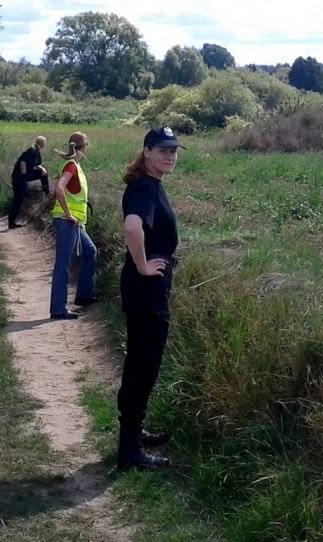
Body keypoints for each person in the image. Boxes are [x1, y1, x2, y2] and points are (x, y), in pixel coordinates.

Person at [116, 126, 185, 472]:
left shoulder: (148, 184)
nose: (170, 156)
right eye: (163, 150)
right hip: (147, 286)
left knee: (140, 360)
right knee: (145, 362)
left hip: (145, 284)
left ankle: (133, 434)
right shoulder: (145, 186)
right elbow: (132, 228)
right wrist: (144, 265)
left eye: (174, 151)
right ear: (146, 151)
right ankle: (129, 450)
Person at [48, 132, 98, 320]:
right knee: (63, 263)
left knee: (90, 252)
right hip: (67, 221)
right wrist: (69, 214)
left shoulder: (73, 165)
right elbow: (59, 189)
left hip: (74, 223)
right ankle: (58, 309)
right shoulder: (71, 166)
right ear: (83, 147)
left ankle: (84, 295)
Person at [8, 136, 50, 229]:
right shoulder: (31, 150)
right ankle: (11, 222)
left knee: (43, 174)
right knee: (18, 199)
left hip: (26, 174)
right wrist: (23, 177)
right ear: (42, 144)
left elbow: (36, 164)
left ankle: (46, 192)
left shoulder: (37, 152)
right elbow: (23, 162)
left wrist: (42, 168)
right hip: (19, 176)